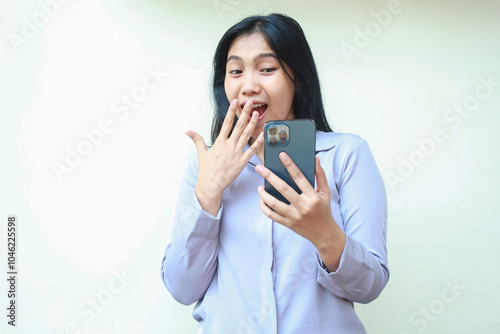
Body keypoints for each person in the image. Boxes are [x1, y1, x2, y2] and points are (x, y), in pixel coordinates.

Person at [161, 13, 389, 333]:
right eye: (236, 71)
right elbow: (181, 288)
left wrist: (324, 232)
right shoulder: (204, 165)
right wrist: (209, 193)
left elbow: (369, 287)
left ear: (297, 77)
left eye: (267, 69)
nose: (249, 85)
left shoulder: (346, 155)